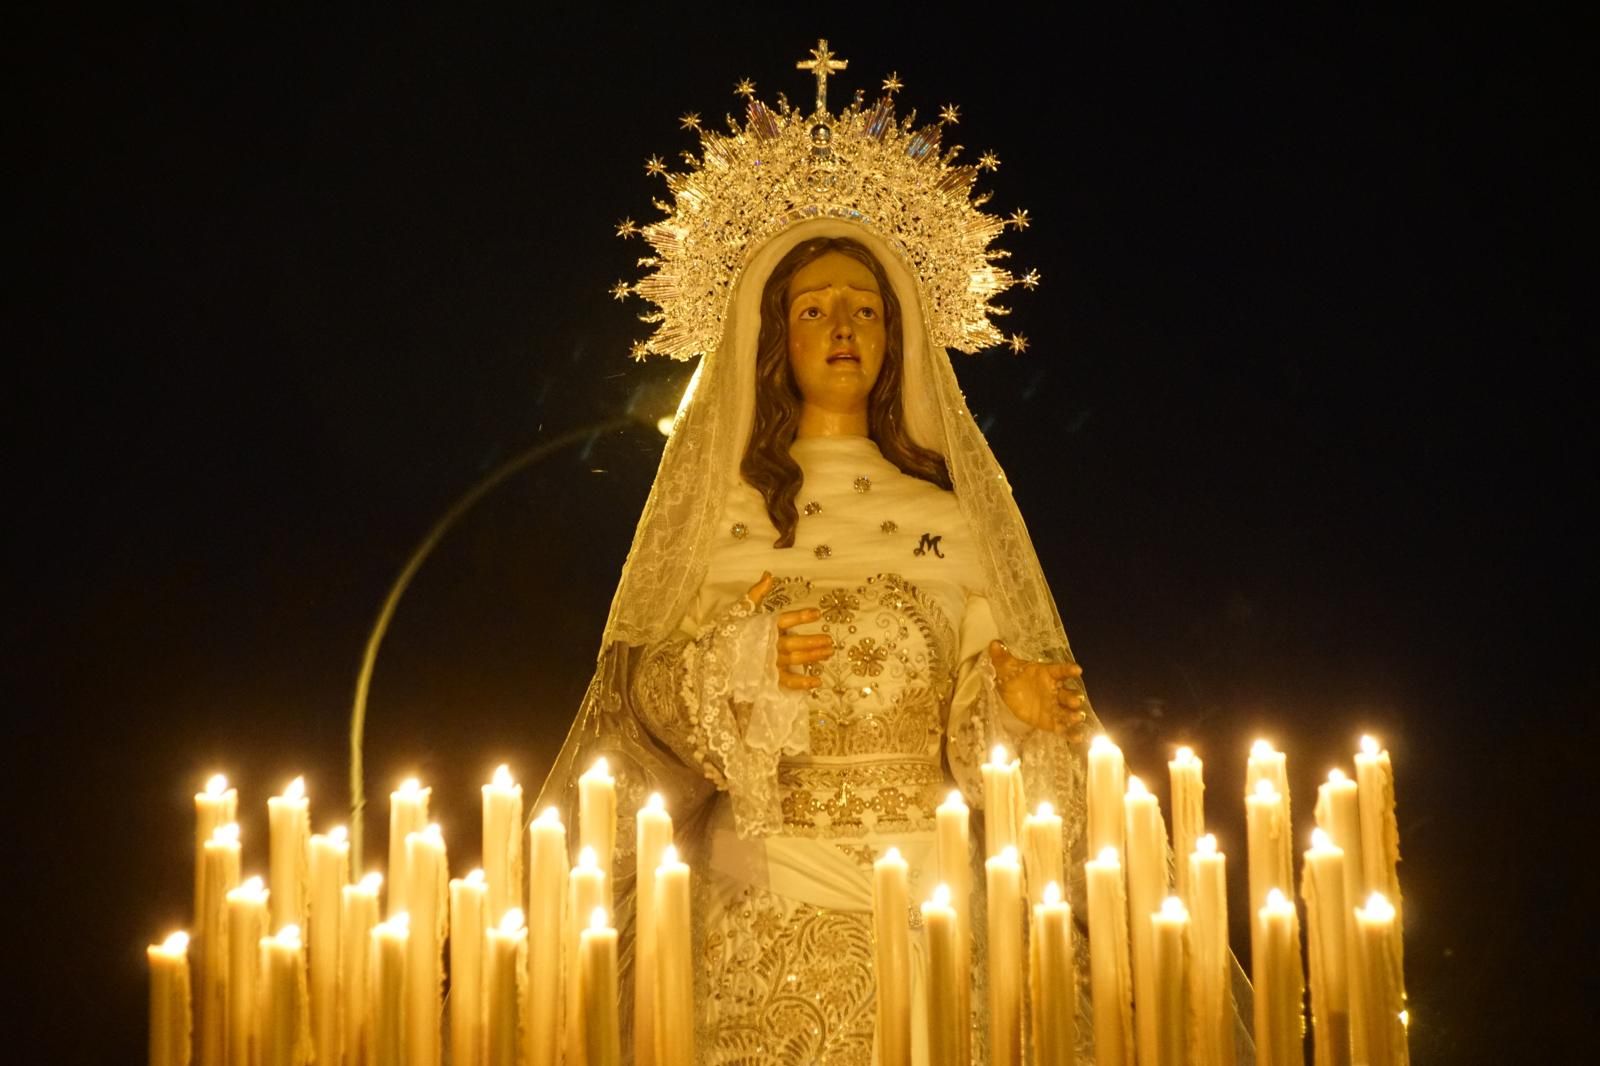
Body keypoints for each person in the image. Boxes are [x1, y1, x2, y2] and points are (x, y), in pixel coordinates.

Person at [536, 62, 1107, 1065]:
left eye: (865, 309)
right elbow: (636, 715)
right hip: (757, 928)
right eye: (814, 310)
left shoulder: (947, 516)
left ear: (898, 335)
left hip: (932, 919)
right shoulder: (719, 513)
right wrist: (733, 664)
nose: (842, 329)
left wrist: (1007, 701)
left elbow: (977, 740)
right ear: (773, 337)